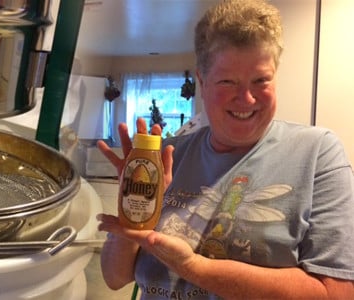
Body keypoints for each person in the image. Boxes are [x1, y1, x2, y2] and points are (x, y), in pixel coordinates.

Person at [95, 0, 354, 299]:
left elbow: (336, 293)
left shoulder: (318, 153)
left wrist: (194, 267)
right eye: (228, 81)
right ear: (202, 83)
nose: (246, 99)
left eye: (261, 80)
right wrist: (132, 207)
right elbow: (115, 278)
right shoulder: (167, 157)